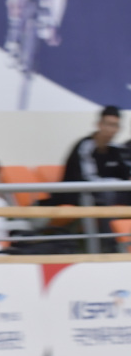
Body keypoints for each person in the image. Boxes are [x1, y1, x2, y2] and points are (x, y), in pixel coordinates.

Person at [55, 105, 129, 252]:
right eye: (108, 124)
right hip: (78, 196)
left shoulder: (116, 150)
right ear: (99, 125)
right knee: (106, 197)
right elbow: (88, 180)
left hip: (107, 193)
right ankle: (112, 248)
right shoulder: (85, 146)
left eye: (115, 125)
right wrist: (114, 184)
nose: (111, 130)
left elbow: (125, 177)